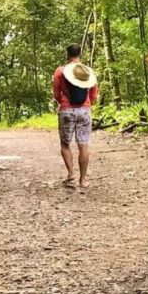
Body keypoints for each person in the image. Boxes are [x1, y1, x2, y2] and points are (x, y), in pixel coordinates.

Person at [53, 45, 99, 189]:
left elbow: (56, 92)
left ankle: (71, 173)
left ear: (67, 54)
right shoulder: (88, 72)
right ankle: (83, 179)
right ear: (80, 54)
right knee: (83, 145)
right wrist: (86, 103)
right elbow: (93, 93)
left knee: (65, 144)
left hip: (66, 110)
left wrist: (63, 102)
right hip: (84, 111)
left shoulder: (60, 71)